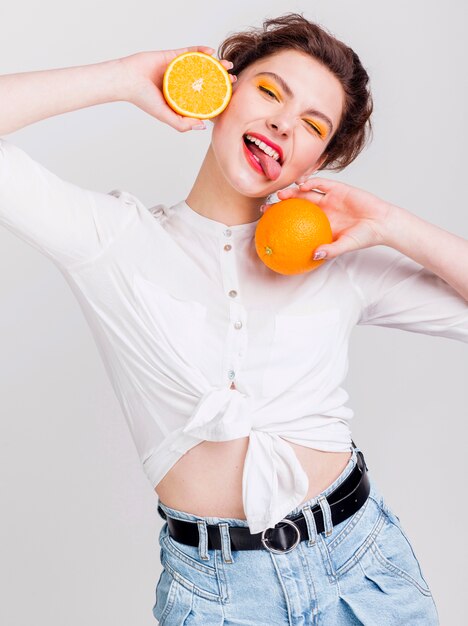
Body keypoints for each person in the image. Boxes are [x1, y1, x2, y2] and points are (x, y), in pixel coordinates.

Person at [1, 11, 466, 625]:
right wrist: (121, 78)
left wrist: (391, 223)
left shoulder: (333, 257)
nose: (282, 122)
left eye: (313, 125)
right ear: (223, 88)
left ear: (314, 162)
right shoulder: (113, 241)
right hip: (218, 597)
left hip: (365, 570)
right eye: (270, 91)